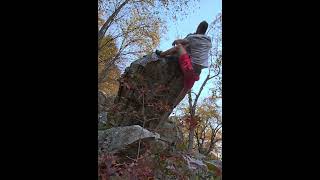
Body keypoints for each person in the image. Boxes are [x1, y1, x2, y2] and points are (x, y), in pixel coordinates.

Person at [156, 21, 212, 108]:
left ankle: (161, 54)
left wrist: (176, 41)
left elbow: (178, 42)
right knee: (185, 89)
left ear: (198, 28)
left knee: (179, 47)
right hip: (196, 74)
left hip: (188, 68)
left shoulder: (192, 37)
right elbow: (198, 49)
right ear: (205, 31)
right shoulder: (208, 41)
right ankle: (173, 106)